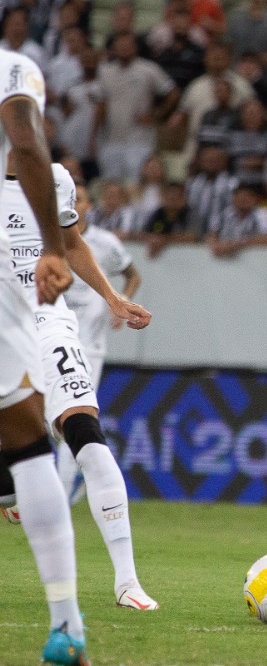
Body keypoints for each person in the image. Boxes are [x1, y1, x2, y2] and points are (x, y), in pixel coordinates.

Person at [0, 166, 157, 610]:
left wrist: (114, 298)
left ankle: (127, 583)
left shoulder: (55, 178)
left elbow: (71, 243)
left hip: (50, 323)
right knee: (14, 475)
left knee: (86, 436)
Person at [0, 46, 89, 666]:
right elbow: (27, 145)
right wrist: (52, 247)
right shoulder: (11, 67)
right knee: (28, 440)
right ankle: (66, 625)